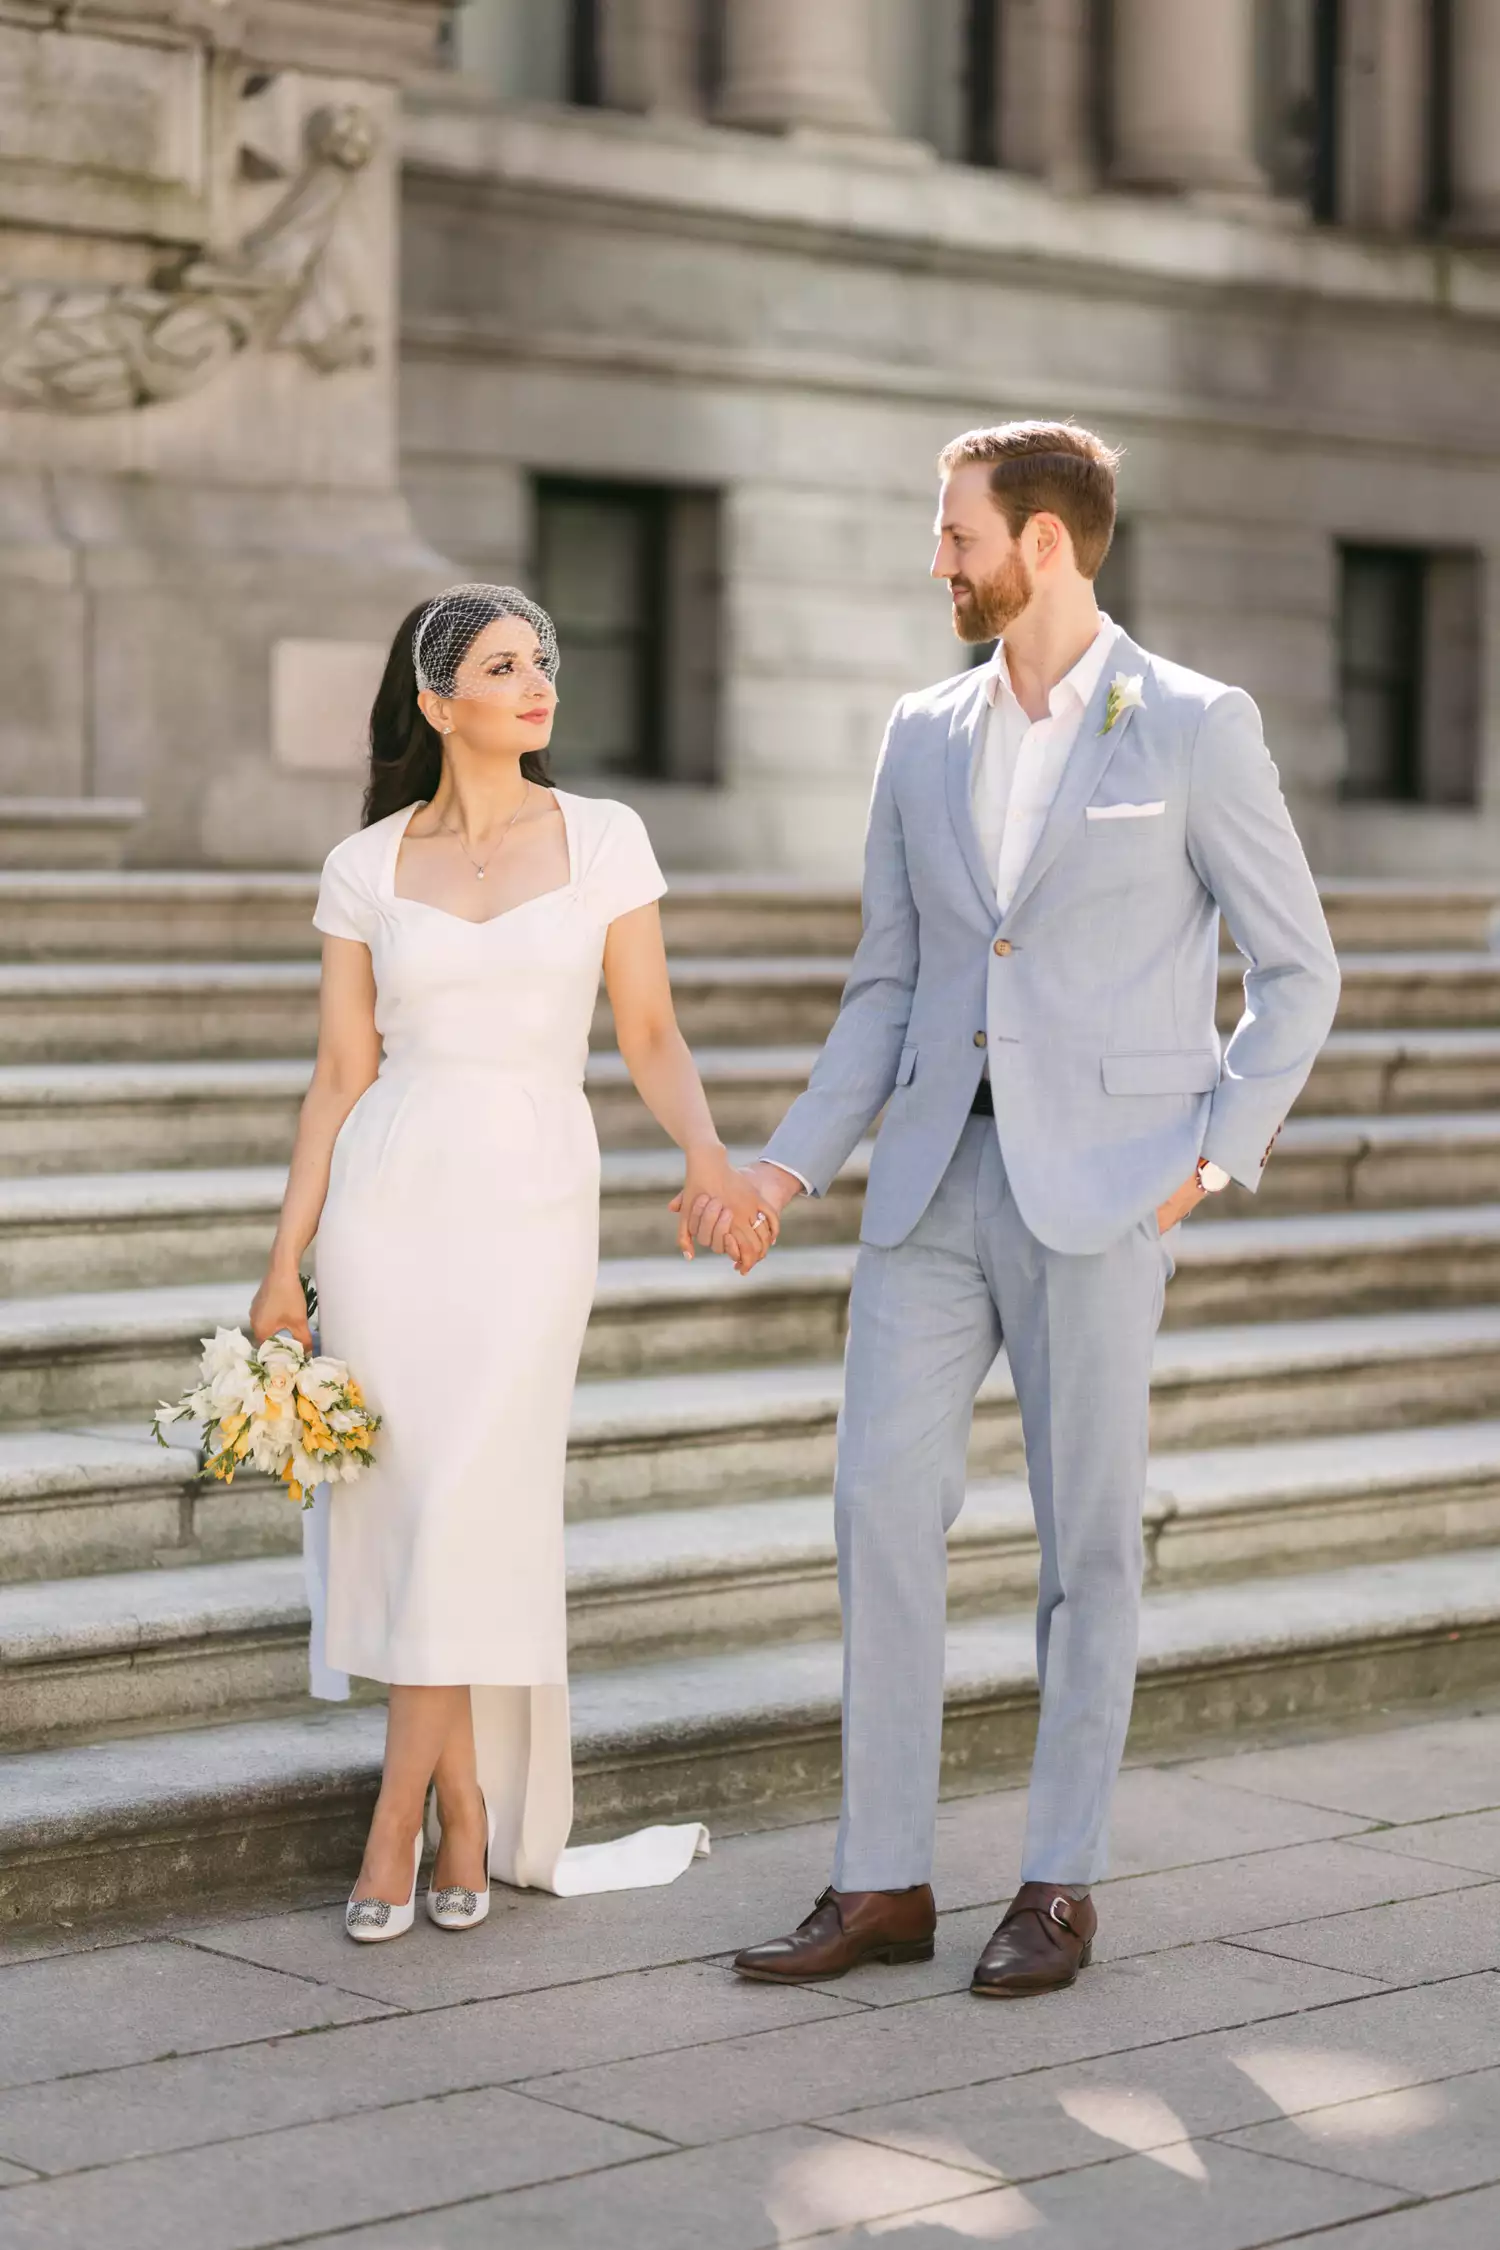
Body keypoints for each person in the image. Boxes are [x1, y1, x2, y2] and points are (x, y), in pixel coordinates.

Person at [717, 422, 1341, 1997]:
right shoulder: (922, 731)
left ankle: (1058, 1879)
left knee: (1087, 1546)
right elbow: (891, 980)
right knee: (877, 1509)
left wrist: (1208, 1160)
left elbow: (1299, 971)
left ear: (1045, 543)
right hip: (931, 1179)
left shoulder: (1196, 724)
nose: (939, 559)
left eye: (958, 537)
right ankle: (883, 1878)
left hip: (1106, 1188)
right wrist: (786, 1164)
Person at [249, 583, 774, 1942]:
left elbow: (648, 1031)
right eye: (501, 664)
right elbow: (336, 1077)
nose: (537, 681)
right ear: (438, 704)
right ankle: (464, 1806)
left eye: (543, 657)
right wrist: (282, 1263)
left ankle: (394, 1827)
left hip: (536, 1197)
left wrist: (708, 1155)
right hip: (389, 1200)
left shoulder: (605, 839)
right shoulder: (364, 865)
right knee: (416, 1502)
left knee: (478, 1487)